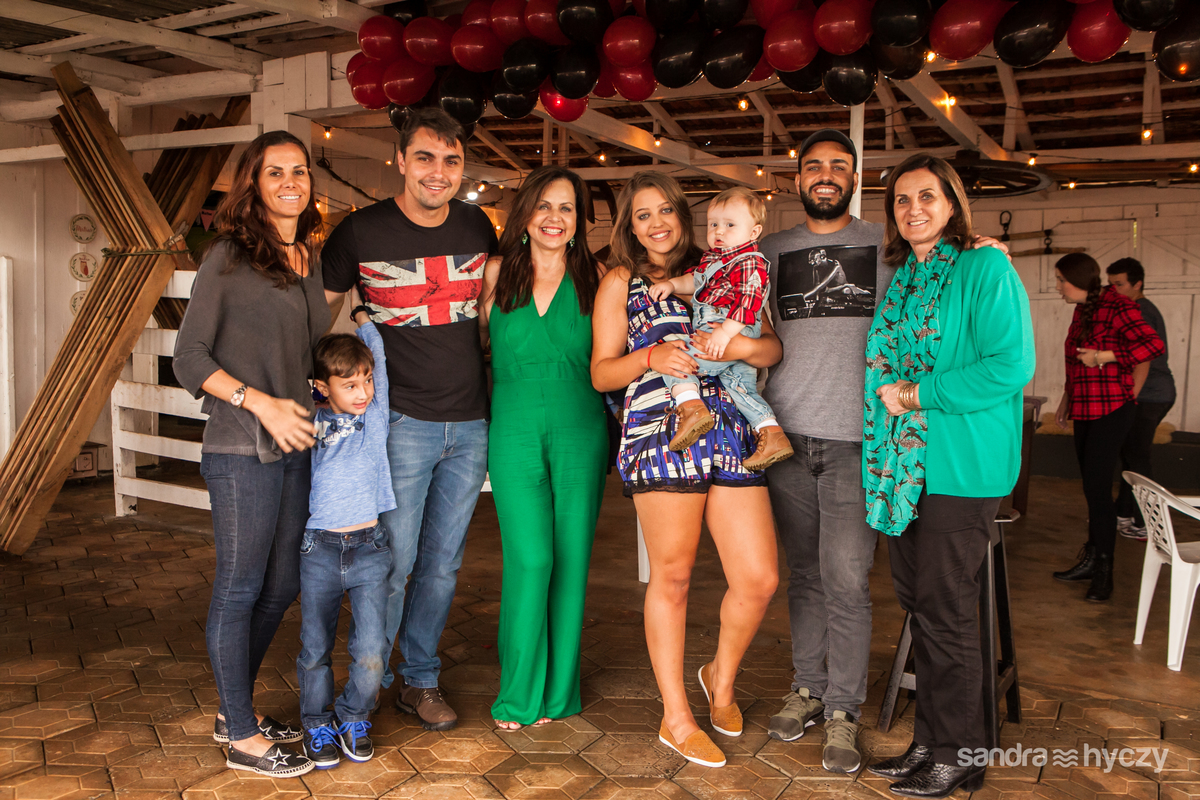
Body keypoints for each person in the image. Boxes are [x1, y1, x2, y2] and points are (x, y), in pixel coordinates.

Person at [591, 171, 782, 769]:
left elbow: (770, 347)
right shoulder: (619, 281)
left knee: (758, 578)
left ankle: (719, 677)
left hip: (731, 430)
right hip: (661, 431)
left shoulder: (723, 264)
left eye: (666, 211)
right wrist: (650, 355)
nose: (656, 223)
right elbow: (601, 372)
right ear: (630, 226)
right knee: (672, 577)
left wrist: (738, 347)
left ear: (682, 214)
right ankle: (675, 717)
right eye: (642, 214)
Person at [862, 154, 1035, 799]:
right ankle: (932, 744)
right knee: (923, 607)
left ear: (953, 203)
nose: (914, 210)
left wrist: (916, 394)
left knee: (947, 611)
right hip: (904, 468)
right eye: (902, 200)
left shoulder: (985, 267)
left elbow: (1009, 365)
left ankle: (959, 754)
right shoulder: (906, 274)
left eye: (927, 197)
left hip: (960, 467)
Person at [322, 107, 497, 731]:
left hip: (470, 425)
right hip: (399, 424)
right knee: (391, 564)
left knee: (442, 566)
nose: (438, 172)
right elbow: (313, 317)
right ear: (399, 159)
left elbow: (498, 313)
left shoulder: (478, 226)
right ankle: (367, 684)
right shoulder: (359, 231)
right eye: (425, 157)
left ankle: (420, 680)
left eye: (451, 160)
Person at [174, 130, 330, 778]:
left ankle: (232, 707)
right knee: (240, 587)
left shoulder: (307, 256)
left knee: (282, 584)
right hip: (241, 446)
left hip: (295, 444)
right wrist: (260, 401)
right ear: (254, 184)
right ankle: (240, 734)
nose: (291, 182)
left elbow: (303, 351)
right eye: (276, 172)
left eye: (300, 171)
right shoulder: (228, 255)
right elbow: (188, 357)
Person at [757, 130, 888, 773]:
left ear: (854, 177)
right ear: (798, 179)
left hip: (856, 442)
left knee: (846, 580)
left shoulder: (886, 245)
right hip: (785, 436)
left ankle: (843, 709)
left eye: (839, 165)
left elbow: (947, 266)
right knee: (804, 575)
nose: (826, 175)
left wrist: (983, 248)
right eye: (814, 167)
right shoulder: (769, 250)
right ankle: (808, 686)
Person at [478, 165, 607, 730]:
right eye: (544, 206)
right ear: (525, 214)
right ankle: (517, 696)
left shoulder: (599, 278)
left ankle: (558, 696)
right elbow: (469, 346)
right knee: (531, 559)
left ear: (579, 221)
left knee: (571, 561)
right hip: (512, 427)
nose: (555, 218)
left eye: (567, 208)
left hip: (581, 428)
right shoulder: (495, 273)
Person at [296, 314, 395, 768]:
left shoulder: (375, 417)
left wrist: (364, 320)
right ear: (322, 387)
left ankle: (353, 716)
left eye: (366, 381)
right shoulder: (310, 421)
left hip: (369, 549)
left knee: (372, 651)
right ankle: (316, 723)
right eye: (350, 384)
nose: (363, 392)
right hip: (319, 549)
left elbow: (380, 364)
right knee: (315, 648)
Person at [647, 187, 793, 470]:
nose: (719, 231)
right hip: (726, 332)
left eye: (730, 225)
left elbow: (749, 301)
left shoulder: (749, 261)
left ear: (754, 232)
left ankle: (691, 407)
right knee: (741, 389)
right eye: (713, 224)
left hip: (730, 329)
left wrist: (725, 334)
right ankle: (772, 433)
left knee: (677, 362)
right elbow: (696, 281)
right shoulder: (714, 260)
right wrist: (672, 284)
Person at [1052, 253, 1164, 602]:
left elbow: (1153, 346)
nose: (1058, 287)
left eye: (1061, 280)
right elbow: (1074, 362)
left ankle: (1104, 571)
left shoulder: (1119, 306)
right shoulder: (1082, 308)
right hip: (1086, 407)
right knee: (1091, 488)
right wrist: (1066, 399)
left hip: (1112, 408)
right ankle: (1092, 558)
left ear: (1078, 280)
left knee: (1098, 490)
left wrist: (1104, 357)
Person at [1106, 258, 1176, 541]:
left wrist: (1129, 397)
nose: (1113, 290)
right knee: (1130, 455)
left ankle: (1149, 522)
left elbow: (1142, 359)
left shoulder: (1141, 310)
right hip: (1147, 392)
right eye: (1110, 284)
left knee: (1137, 457)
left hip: (1149, 394)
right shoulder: (1133, 308)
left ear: (1138, 284)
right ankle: (1124, 513)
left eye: (1119, 284)